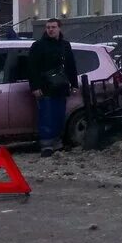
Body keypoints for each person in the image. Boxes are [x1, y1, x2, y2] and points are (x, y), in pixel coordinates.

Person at [28, 18, 79, 157]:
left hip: (61, 87)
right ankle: (46, 146)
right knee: (47, 116)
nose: (50, 29)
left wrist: (74, 84)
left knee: (59, 116)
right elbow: (32, 68)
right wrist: (35, 87)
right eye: (48, 27)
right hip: (45, 88)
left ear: (59, 28)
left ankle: (57, 143)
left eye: (53, 27)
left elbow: (71, 66)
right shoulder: (38, 46)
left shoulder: (65, 45)